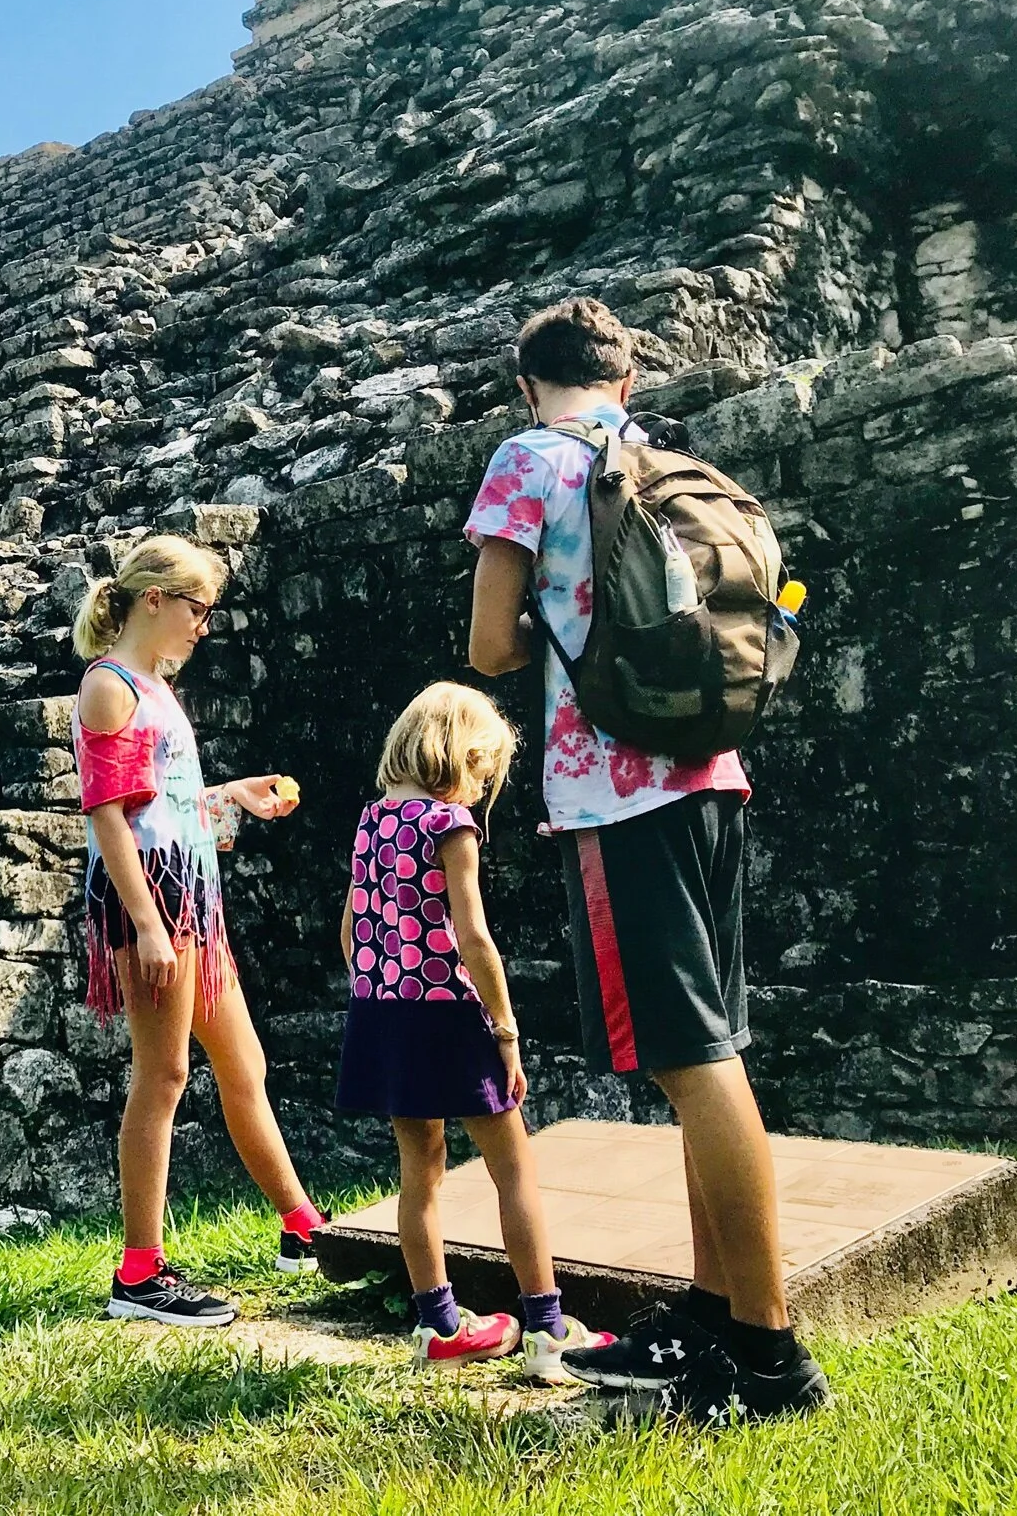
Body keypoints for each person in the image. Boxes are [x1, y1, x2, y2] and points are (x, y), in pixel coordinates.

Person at [465, 297, 830, 1421]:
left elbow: (486, 646)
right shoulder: (660, 460)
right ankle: (717, 1312)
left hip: (617, 795)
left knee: (691, 1063)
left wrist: (545, 623)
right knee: (709, 1050)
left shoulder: (527, 460)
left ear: (529, 384)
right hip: (711, 774)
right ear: (625, 380)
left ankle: (771, 1355)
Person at [75, 533, 326, 1328]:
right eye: (197, 607)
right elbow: (108, 819)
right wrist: (146, 926)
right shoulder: (108, 686)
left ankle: (301, 1226)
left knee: (242, 1060)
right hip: (154, 903)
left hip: (191, 901)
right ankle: (140, 1274)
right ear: (154, 598)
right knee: (165, 1077)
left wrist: (233, 796)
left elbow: (164, 803)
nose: (203, 625)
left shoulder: (152, 684)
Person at [337, 681, 619, 1381]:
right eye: (483, 771)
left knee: (419, 1173)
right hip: (451, 1017)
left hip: (386, 1013)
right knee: (514, 1169)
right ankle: (549, 1329)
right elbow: (475, 938)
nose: (480, 788)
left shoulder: (373, 820)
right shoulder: (448, 825)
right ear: (459, 753)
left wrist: (385, 985)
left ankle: (439, 1324)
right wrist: (506, 1027)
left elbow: (350, 931)